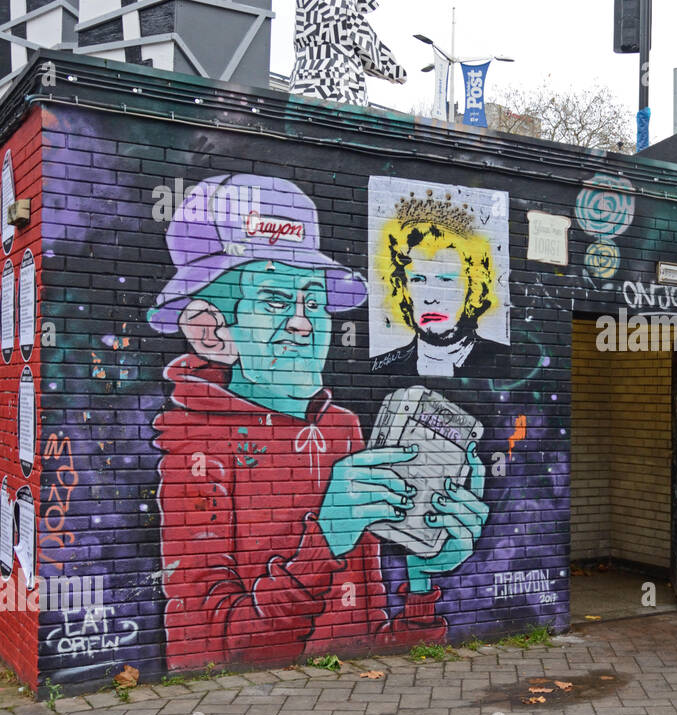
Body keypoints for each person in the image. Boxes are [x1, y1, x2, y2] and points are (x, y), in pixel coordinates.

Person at [147, 174, 487, 671]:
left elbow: (362, 636)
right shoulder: (195, 448)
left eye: (312, 300)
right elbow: (216, 657)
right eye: (276, 302)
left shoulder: (341, 428)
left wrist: (420, 574)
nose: (304, 322)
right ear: (211, 333)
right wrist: (326, 537)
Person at [371, 193, 508, 377]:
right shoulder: (384, 369)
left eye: (446, 280)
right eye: (418, 280)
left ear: (473, 287)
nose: (430, 298)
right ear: (403, 288)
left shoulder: (501, 363)